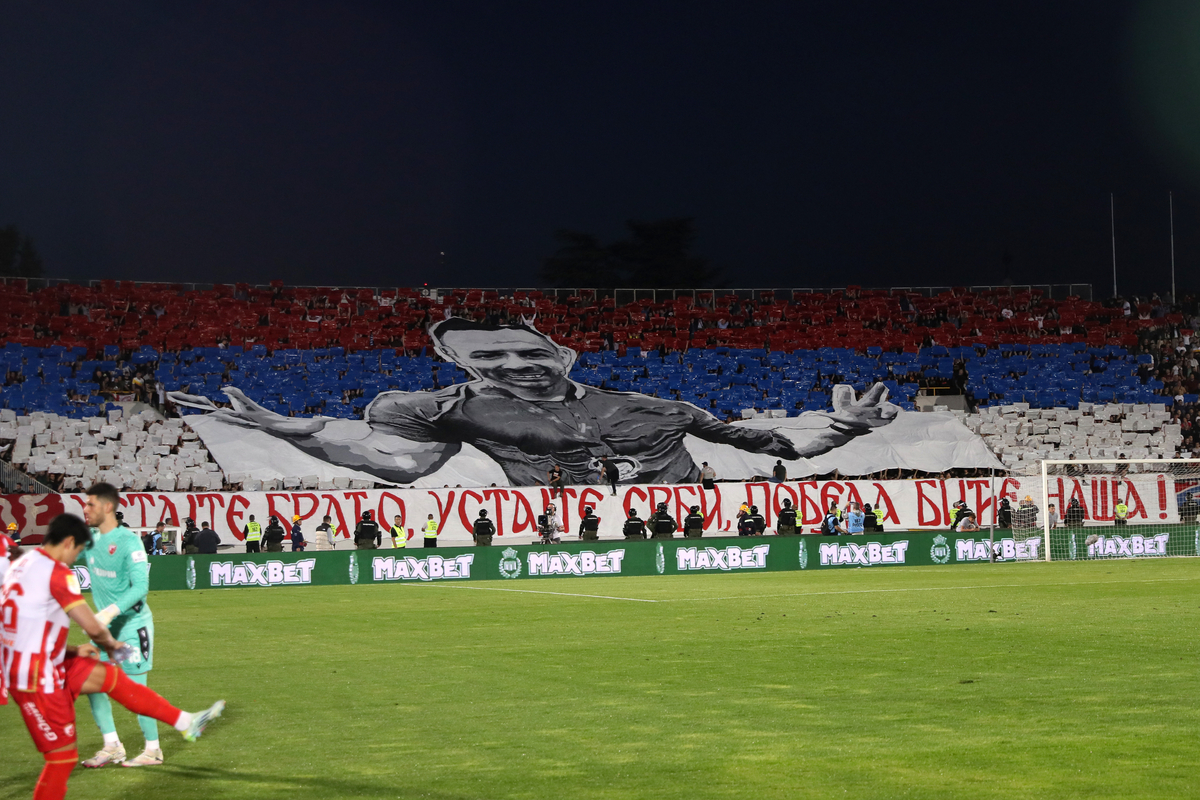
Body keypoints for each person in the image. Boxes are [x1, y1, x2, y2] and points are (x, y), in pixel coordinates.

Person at [175, 319, 898, 487]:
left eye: (530, 352)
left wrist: (844, 428)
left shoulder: (657, 405)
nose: (514, 364)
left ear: (564, 357)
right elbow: (395, 466)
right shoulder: (445, 409)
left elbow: (787, 449)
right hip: (574, 537)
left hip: (688, 541)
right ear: (457, 363)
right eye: (487, 356)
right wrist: (297, 432)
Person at [1, 514, 225, 798]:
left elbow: (22, 625)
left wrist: (69, 650)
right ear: (69, 542)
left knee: (110, 677)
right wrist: (110, 644)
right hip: (36, 678)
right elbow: (92, 626)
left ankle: (186, 722)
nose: (76, 558)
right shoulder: (57, 572)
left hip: (39, 660)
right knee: (61, 759)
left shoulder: (22, 565)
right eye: (79, 550)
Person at [79, 482, 163, 768]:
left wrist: (107, 613)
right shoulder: (89, 539)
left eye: (90, 504)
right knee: (91, 684)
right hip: (104, 632)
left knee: (134, 692)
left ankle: (153, 750)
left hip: (130, 628)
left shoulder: (129, 541)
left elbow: (141, 587)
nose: (85, 508)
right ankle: (112, 745)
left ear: (107, 507)